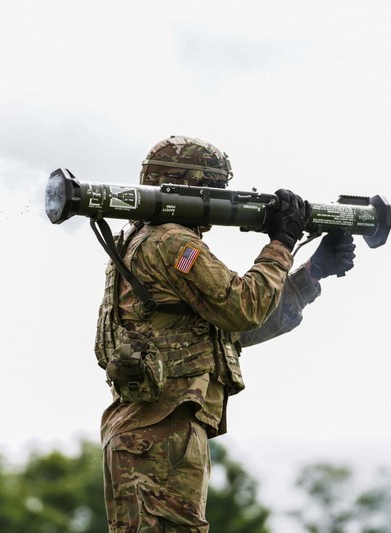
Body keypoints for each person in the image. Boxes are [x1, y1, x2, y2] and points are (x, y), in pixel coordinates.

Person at [94, 135, 356, 531]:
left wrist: (312, 273)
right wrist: (282, 243)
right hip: (162, 433)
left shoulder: (138, 241)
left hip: (152, 432)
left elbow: (226, 335)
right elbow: (242, 308)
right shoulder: (173, 242)